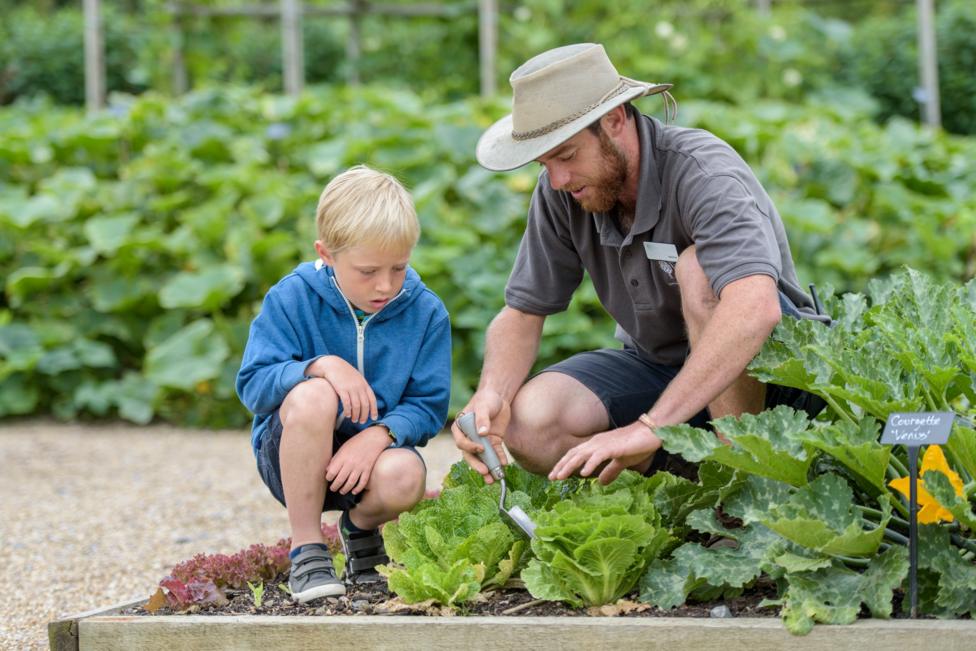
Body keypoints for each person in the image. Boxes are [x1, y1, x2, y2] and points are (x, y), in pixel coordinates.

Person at [452, 43, 827, 488]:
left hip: (772, 375)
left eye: (567, 155)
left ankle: (746, 486)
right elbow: (522, 312)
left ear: (614, 120)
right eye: (544, 162)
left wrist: (650, 428)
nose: (557, 179)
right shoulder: (561, 191)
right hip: (659, 366)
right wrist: (491, 394)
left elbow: (755, 310)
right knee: (531, 422)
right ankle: (693, 492)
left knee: (699, 271)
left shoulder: (703, 172)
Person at [237, 165, 451, 603]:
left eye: (399, 267)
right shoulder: (291, 298)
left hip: (369, 465)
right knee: (315, 394)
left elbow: (428, 406)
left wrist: (378, 436)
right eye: (368, 271)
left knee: (407, 475)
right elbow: (254, 385)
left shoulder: (426, 313)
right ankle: (308, 547)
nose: (386, 285)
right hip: (289, 461)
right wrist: (321, 366)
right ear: (327, 254)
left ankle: (359, 530)